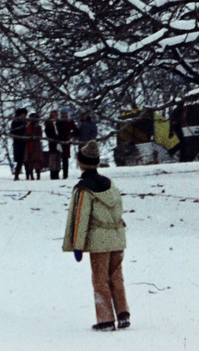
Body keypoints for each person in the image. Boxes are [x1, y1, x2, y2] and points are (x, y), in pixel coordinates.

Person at [62, 139, 130, 332]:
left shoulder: (85, 188)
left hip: (99, 241)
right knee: (116, 277)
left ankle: (106, 320)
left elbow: (81, 218)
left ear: (81, 164)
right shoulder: (110, 184)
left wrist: (78, 245)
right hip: (117, 237)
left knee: (100, 280)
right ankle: (123, 314)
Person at [23, 113, 45, 180]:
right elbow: (25, 135)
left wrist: (34, 137)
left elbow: (40, 135)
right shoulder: (27, 127)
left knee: (37, 161)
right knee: (30, 161)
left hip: (36, 146)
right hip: (29, 145)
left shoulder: (38, 127)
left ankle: (38, 175)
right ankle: (31, 176)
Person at [9, 108, 28, 180]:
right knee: (19, 160)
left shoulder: (26, 122)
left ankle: (28, 175)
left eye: (24, 114)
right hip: (18, 143)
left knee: (26, 160)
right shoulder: (15, 122)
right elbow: (13, 132)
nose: (23, 115)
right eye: (22, 114)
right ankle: (16, 175)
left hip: (25, 142)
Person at [57, 109, 76, 180]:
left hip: (66, 141)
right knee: (59, 157)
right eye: (63, 113)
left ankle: (65, 174)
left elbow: (75, 130)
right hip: (59, 141)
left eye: (65, 113)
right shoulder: (58, 121)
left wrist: (70, 135)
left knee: (65, 158)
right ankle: (57, 173)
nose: (64, 115)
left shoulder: (70, 121)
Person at [45, 109, 63, 179]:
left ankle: (57, 172)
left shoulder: (59, 121)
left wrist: (60, 137)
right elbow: (47, 131)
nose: (54, 114)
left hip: (59, 141)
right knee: (53, 158)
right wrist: (52, 138)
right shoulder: (48, 122)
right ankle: (52, 173)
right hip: (52, 142)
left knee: (58, 157)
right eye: (53, 113)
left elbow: (61, 130)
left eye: (56, 113)